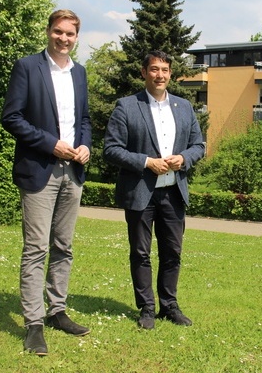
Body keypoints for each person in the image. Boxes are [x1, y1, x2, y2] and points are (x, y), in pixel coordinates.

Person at [1, 9, 92, 356]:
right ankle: (34, 324)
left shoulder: (80, 73)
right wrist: (49, 143)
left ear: (76, 37)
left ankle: (56, 311)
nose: (63, 39)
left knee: (64, 247)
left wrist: (84, 145)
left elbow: (84, 118)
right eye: (58, 32)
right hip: (40, 169)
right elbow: (12, 116)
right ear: (48, 32)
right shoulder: (28, 67)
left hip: (73, 172)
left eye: (70, 34)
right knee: (36, 248)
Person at [103, 50, 205, 330]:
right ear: (144, 73)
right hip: (140, 193)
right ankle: (147, 308)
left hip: (174, 192)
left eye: (165, 70)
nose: (160, 75)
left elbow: (199, 146)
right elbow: (111, 150)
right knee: (141, 252)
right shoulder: (126, 106)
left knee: (173, 251)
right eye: (154, 69)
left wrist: (184, 159)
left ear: (171, 74)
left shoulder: (184, 107)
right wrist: (146, 162)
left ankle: (169, 305)